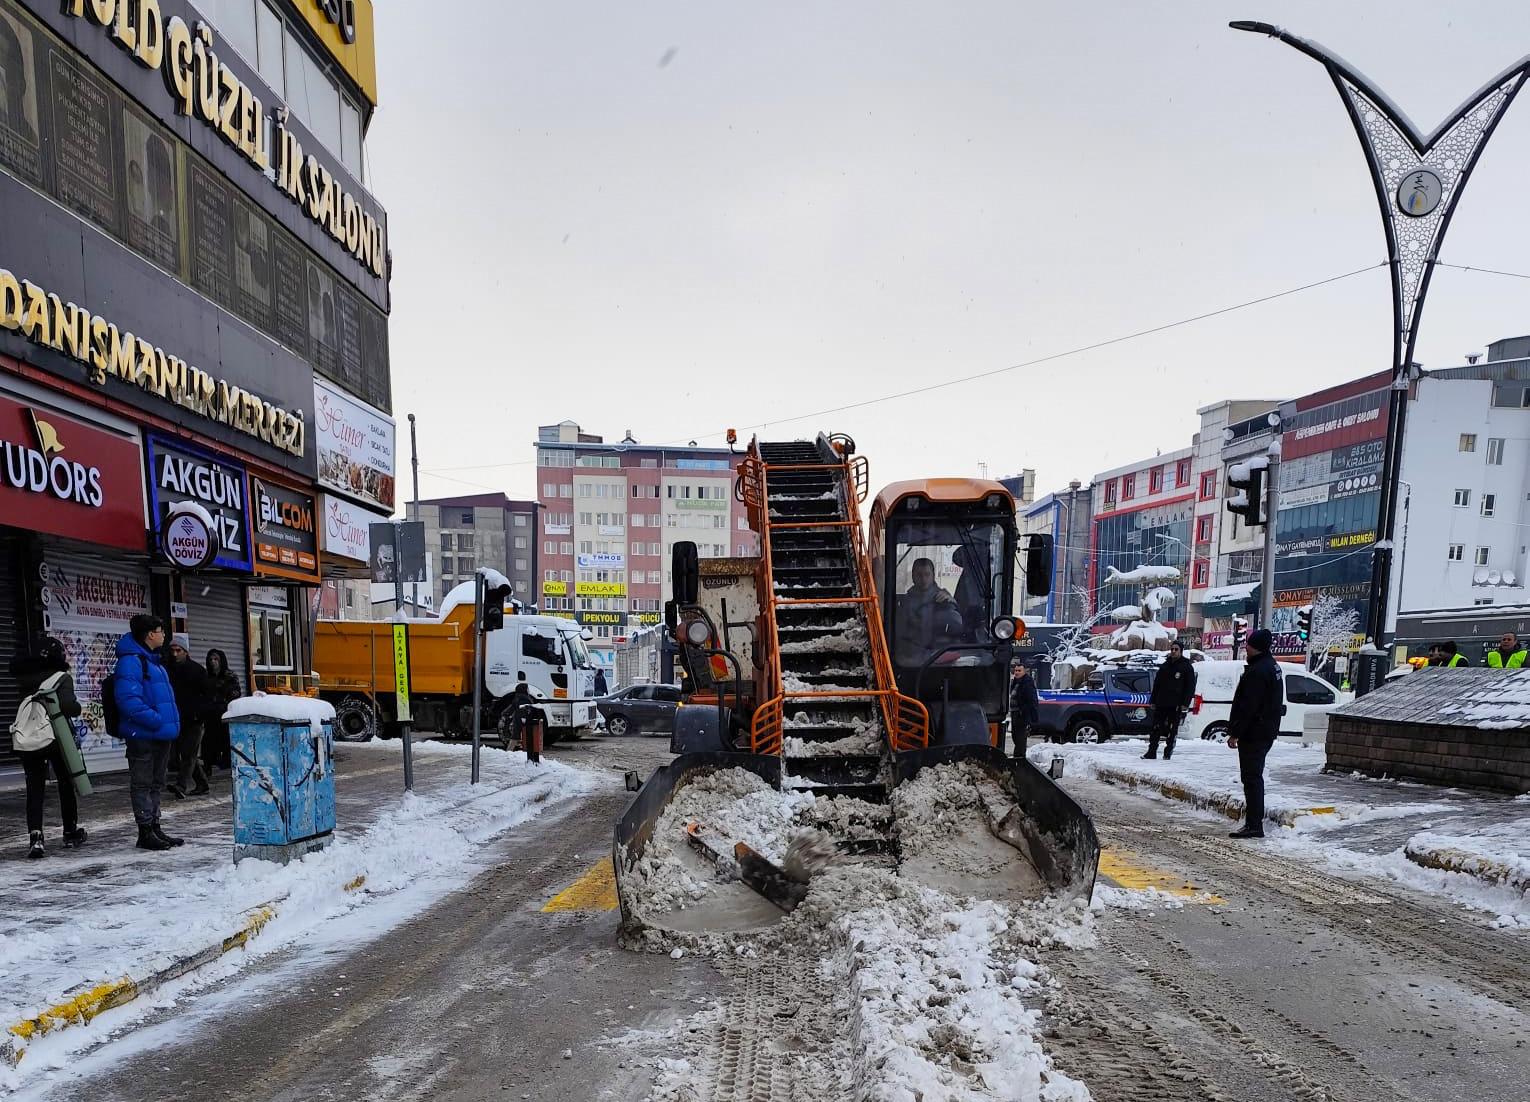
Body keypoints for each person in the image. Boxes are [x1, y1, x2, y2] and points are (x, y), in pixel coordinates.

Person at [114, 614, 183, 851]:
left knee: (156, 782)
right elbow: (128, 700)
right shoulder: (132, 662)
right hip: (143, 734)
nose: (164, 635)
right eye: (161, 631)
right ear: (150, 634)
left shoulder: (152, 661)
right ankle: (145, 831)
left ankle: (154, 826)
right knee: (142, 783)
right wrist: (155, 720)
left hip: (159, 734)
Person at [12, 639, 85, 859]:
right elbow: (69, 706)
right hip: (56, 738)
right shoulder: (61, 678)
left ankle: (36, 837)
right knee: (65, 783)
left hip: (29, 739)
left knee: (34, 788)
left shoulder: (25, 678)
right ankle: (70, 831)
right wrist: (77, 707)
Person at [1226, 628, 1283, 839]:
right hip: (1264, 729)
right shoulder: (1271, 666)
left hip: (1255, 732)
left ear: (1256, 647)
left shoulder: (1258, 671)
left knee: (1251, 778)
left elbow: (1248, 706)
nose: (1246, 648)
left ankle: (1254, 824)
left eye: (1249, 644)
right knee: (1253, 777)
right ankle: (1253, 822)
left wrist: (1235, 733)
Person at [895, 557, 964, 667]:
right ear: (913, 576)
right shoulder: (905, 602)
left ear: (933, 576)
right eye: (919, 575)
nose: (923, 579)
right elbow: (900, 633)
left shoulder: (943, 598)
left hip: (939, 653)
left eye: (927, 575)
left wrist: (953, 603)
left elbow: (958, 626)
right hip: (913, 655)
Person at [166, 633, 212, 797]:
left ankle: (181, 785)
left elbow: (208, 695)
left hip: (194, 720)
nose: (175, 654)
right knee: (186, 754)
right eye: (172, 650)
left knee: (188, 753)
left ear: (185, 651)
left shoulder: (197, 670)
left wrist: (200, 715)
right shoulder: (168, 669)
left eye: (178, 650)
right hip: (177, 718)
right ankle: (202, 783)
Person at [1145, 642, 1197, 760]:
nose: (1173, 651)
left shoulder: (1186, 667)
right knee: (1156, 728)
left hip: (1176, 704)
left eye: (1176, 649)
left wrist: (1185, 703)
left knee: (1172, 730)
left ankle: (1167, 753)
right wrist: (1153, 700)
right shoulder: (1165, 665)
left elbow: (1190, 687)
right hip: (1161, 702)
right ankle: (1151, 752)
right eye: (1172, 649)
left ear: (1181, 651)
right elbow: (1157, 684)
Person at [202, 648, 242, 772]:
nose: (213, 662)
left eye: (216, 659)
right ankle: (209, 764)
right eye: (211, 659)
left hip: (224, 714)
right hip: (210, 715)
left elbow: (235, 694)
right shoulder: (206, 676)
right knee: (209, 741)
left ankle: (226, 764)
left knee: (225, 740)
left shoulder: (229, 676)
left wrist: (224, 704)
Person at [1009, 663, 1039, 755]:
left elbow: (1032, 700)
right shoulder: (1015, 682)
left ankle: (1019, 758)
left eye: (1019, 671)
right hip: (1014, 713)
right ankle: (1017, 756)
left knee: (1020, 739)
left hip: (1021, 714)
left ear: (1024, 671)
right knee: (1015, 736)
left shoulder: (1027, 683)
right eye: (1016, 670)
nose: (1017, 672)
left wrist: (1024, 712)